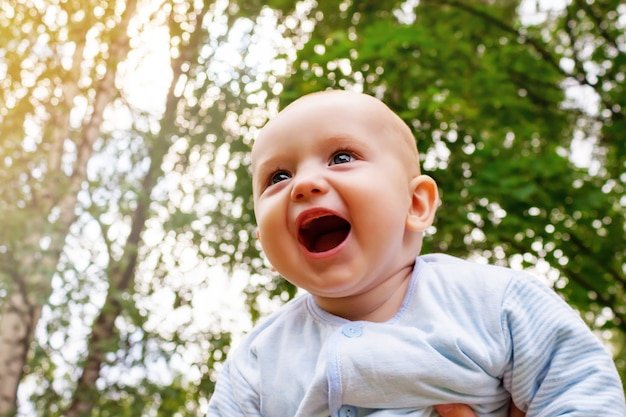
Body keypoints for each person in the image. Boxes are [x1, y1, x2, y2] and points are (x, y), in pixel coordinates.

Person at [207, 90, 626, 417]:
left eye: (341, 157)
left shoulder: (493, 302)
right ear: (264, 240)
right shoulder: (258, 359)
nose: (305, 183)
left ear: (417, 204)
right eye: (278, 176)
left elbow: (580, 386)